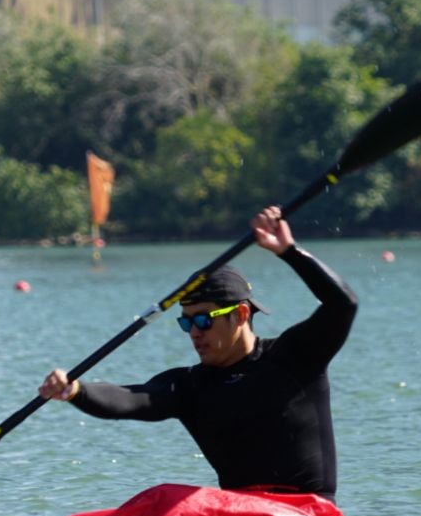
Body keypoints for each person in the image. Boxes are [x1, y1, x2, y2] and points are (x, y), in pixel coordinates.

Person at [38, 205, 358, 499]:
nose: (194, 332)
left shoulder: (296, 356)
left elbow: (342, 305)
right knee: (161, 498)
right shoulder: (190, 386)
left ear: (242, 315)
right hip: (237, 515)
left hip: (306, 514)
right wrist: (75, 390)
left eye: (204, 320)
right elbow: (131, 398)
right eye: (186, 322)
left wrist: (289, 252)